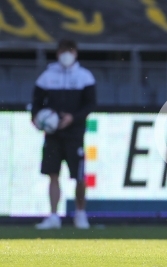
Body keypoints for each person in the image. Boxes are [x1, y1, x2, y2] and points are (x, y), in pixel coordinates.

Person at [31, 39, 97, 229]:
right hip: (53, 134)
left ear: (75, 52)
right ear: (57, 53)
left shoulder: (84, 76)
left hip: (75, 134)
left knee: (79, 176)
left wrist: (73, 118)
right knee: (52, 173)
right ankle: (53, 216)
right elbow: (36, 102)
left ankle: (80, 214)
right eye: (62, 51)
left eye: (69, 50)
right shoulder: (47, 76)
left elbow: (91, 104)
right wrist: (36, 118)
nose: (66, 54)